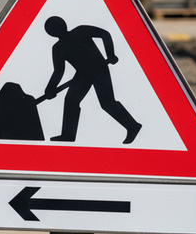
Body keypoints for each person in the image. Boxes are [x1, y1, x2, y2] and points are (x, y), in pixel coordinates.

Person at [43, 15, 142, 144]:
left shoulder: (80, 31)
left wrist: (110, 54)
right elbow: (59, 71)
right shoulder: (58, 47)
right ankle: (68, 135)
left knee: (107, 102)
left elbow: (104, 34)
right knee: (71, 101)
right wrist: (50, 88)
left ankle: (133, 126)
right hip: (82, 74)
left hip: (99, 69)